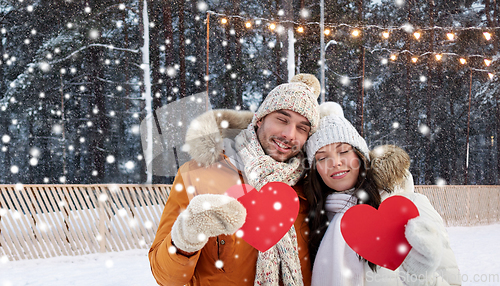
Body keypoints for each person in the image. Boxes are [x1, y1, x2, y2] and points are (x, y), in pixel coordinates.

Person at [149, 74, 321, 286]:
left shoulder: (310, 185)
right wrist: (186, 236)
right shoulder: (198, 175)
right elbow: (166, 278)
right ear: (259, 119)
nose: (289, 134)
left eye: (302, 127)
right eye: (282, 119)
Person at [304, 102, 462, 286]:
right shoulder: (316, 220)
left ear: (360, 156)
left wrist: (418, 275)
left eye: (343, 151)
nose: (335, 162)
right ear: (316, 170)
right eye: (322, 157)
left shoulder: (411, 206)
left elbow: (452, 282)